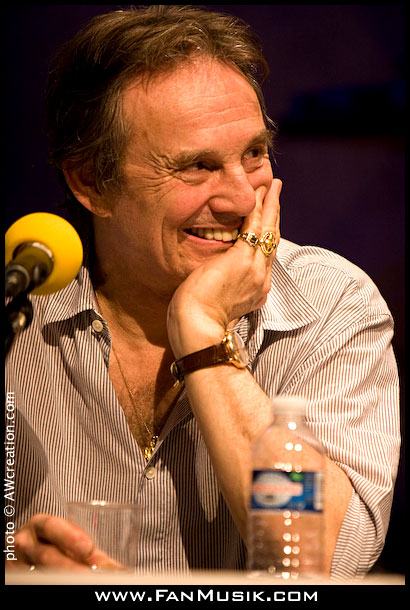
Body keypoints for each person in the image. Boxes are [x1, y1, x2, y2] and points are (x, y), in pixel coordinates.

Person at [6, 6, 400, 579]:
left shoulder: (330, 306)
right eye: (197, 166)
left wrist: (204, 330)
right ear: (91, 181)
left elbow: (326, 566)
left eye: (254, 154)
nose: (241, 199)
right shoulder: (18, 305)